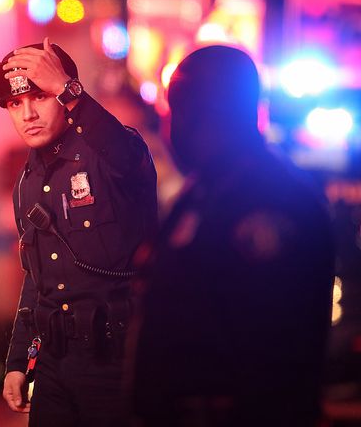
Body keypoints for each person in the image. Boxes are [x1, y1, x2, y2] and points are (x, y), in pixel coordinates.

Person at [127, 45, 335, 427]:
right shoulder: (205, 191)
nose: (168, 127)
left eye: (174, 110)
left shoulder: (273, 199)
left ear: (204, 111)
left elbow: (269, 350)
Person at [0, 37, 158, 426]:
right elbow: (37, 281)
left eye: (40, 97)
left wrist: (67, 89)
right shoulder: (25, 183)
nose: (27, 114)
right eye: (15, 104)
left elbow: (127, 156)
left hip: (116, 363)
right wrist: (18, 362)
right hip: (54, 366)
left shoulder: (112, 155)